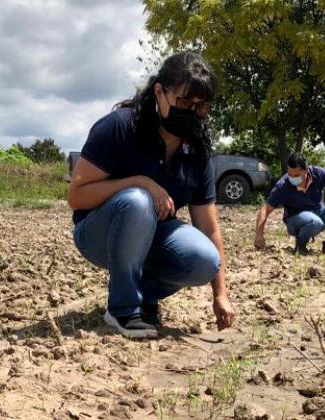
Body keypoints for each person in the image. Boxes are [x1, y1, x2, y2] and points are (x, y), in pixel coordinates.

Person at [67, 52, 235, 339]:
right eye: (184, 102)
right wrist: (140, 182)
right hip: (98, 233)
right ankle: (122, 309)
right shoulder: (119, 127)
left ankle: (141, 296)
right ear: (159, 92)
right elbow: (77, 196)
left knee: (204, 259)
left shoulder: (197, 151)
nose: (192, 113)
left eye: (201, 106)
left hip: (152, 235)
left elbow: (209, 227)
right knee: (137, 200)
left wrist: (220, 293)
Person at [254, 153, 325, 256]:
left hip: (318, 215)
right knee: (315, 222)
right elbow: (265, 209)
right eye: (289, 174)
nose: (292, 178)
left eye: (296, 175)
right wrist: (259, 233)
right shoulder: (283, 185)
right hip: (294, 220)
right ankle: (300, 245)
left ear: (306, 170)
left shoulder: (318, 174)